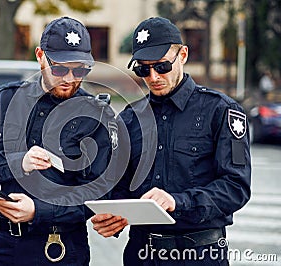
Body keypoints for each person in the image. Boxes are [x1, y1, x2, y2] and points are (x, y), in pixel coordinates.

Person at [91, 17, 252, 266]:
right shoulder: (130, 118)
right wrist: (114, 215)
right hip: (141, 254)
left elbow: (236, 187)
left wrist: (178, 201)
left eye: (162, 66)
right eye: (143, 69)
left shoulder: (220, 111)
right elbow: (120, 186)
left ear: (183, 55)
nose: (153, 76)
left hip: (199, 254)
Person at [0, 16, 117, 265]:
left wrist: (38, 211)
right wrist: (18, 162)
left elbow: (99, 194)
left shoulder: (97, 115)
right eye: (59, 68)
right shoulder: (8, 100)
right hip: (4, 247)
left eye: (80, 70)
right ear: (40, 56)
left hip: (60, 249)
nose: (69, 78)